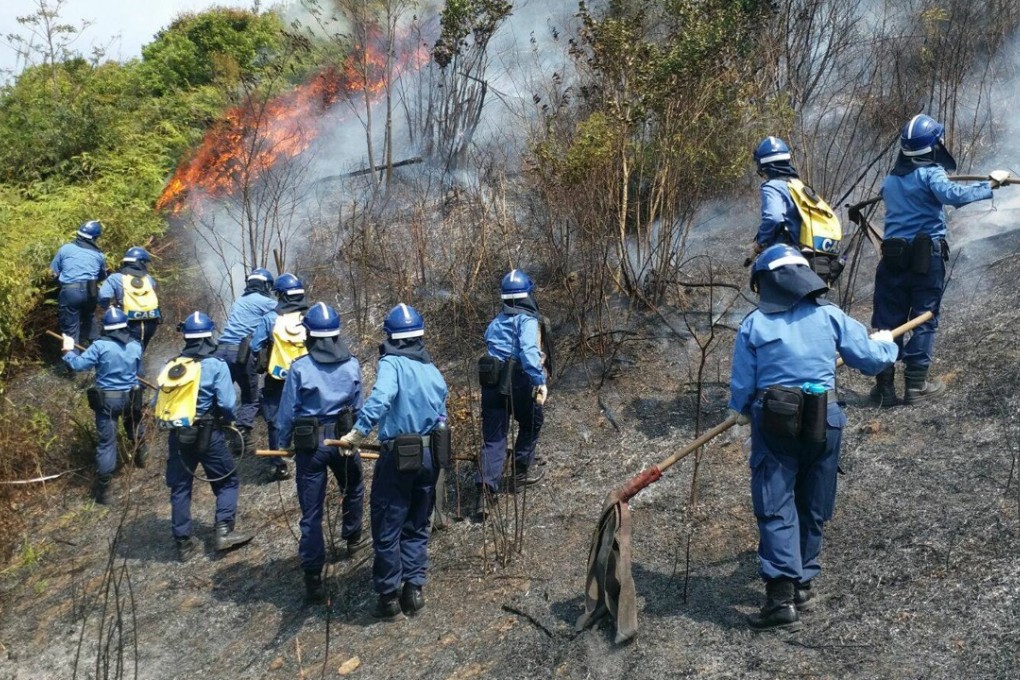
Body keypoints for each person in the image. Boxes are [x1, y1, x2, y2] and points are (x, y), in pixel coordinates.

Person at [729, 244, 898, 631]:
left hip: (774, 424)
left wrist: (737, 412)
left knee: (776, 504)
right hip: (826, 420)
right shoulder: (830, 316)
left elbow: (742, 386)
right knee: (814, 501)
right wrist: (887, 342)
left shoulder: (754, 325)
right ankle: (803, 583)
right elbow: (872, 359)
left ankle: (780, 599)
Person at [870, 114, 1003, 407]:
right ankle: (916, 388)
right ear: (932, 146)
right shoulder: (931, 174)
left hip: (891, 259)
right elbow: (953, 196)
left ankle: (884, 388)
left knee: (886, 321)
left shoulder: (890, 180)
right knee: (924, 317)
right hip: (924, 258)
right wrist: (990, 185)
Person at [338, 303, 448, 620]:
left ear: (391, 336)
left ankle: (388, 597)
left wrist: (357, 434)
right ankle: (413, 591)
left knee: (388, 523)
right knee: (416, 523)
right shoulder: (432, 368)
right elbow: (442, 411)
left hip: (399, 457)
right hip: (430, 457)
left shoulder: (392, 363)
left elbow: (382, 398)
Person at [276, 302, 367, 603]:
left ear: (310, 336)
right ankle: (353, 537)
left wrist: (281, 443)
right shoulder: (352, 364)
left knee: (311, 511)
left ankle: (313, 576)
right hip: (343, 440)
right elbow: (360, 406)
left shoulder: (300, 367)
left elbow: (287, 412)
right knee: (353, 486)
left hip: (310, 446)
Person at [155, 312, 253, 562]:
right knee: (227, 481)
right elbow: (228, 404)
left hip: (178, 435)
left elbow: (158, 402)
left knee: (180, 487)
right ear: (210, 336)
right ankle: (223, 532)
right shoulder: (215, 365)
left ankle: (183, 543)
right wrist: (228, 420)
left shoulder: (172, 365)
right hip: (209, 434)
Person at [474, 269, 549, 520]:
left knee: (494, 437)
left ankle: (485, 493)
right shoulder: (527, 321)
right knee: (532, 421)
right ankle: (519, 472)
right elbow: (528, 352)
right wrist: (539, 380)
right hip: (517, 380)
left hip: (491, 383)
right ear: (528, 294)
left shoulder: (495, 323)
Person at [61, 308, 144, 504]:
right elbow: (140, 370)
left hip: (107, 401)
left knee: (107, 443)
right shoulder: (136, 345)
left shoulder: (99, 346)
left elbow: (78, 365)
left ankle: (104, 492)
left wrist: (68, 351)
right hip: (132, 397)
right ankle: (141, 456)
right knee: (134, 426)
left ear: (105, 327)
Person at [251, 273, 309, 481]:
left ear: (281, 295)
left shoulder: (270, 318)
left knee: (275, 418)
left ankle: (280, 462)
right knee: (306, 413)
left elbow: (254, 345)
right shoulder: (311, 317)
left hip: (277, 377)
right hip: (306, 376)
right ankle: (306, 452)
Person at [214, 268, 277, 454]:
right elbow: (284, 313)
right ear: (265, 285)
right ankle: (242, 435)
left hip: (221, 351)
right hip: (242, 352)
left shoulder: (239, 301)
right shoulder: (267, 302)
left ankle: (217, 429)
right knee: (251, 398)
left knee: (222, 393)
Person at [51, 220, 107, 346]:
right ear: (94, 238)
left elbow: (53, 272)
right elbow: (102, 276)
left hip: (70, 292)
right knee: (90, 319)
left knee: (70, 331)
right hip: (91, 292)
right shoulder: (99, 255)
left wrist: (60, 285)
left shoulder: (65, 249)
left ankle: (73, 362)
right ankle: (98, 353)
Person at [98, 247, 161, 351]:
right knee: (139, 351)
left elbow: (103, 296)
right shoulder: (148, 278)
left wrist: (110, 309)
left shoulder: (115, 278)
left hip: (128, 324)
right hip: (150, 323)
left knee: (126, 351)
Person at [752, 137, 801, 254]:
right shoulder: (798, 185)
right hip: (806, 251)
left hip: (788, 253)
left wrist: (760, 241)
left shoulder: (772, 186)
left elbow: (774, 218)